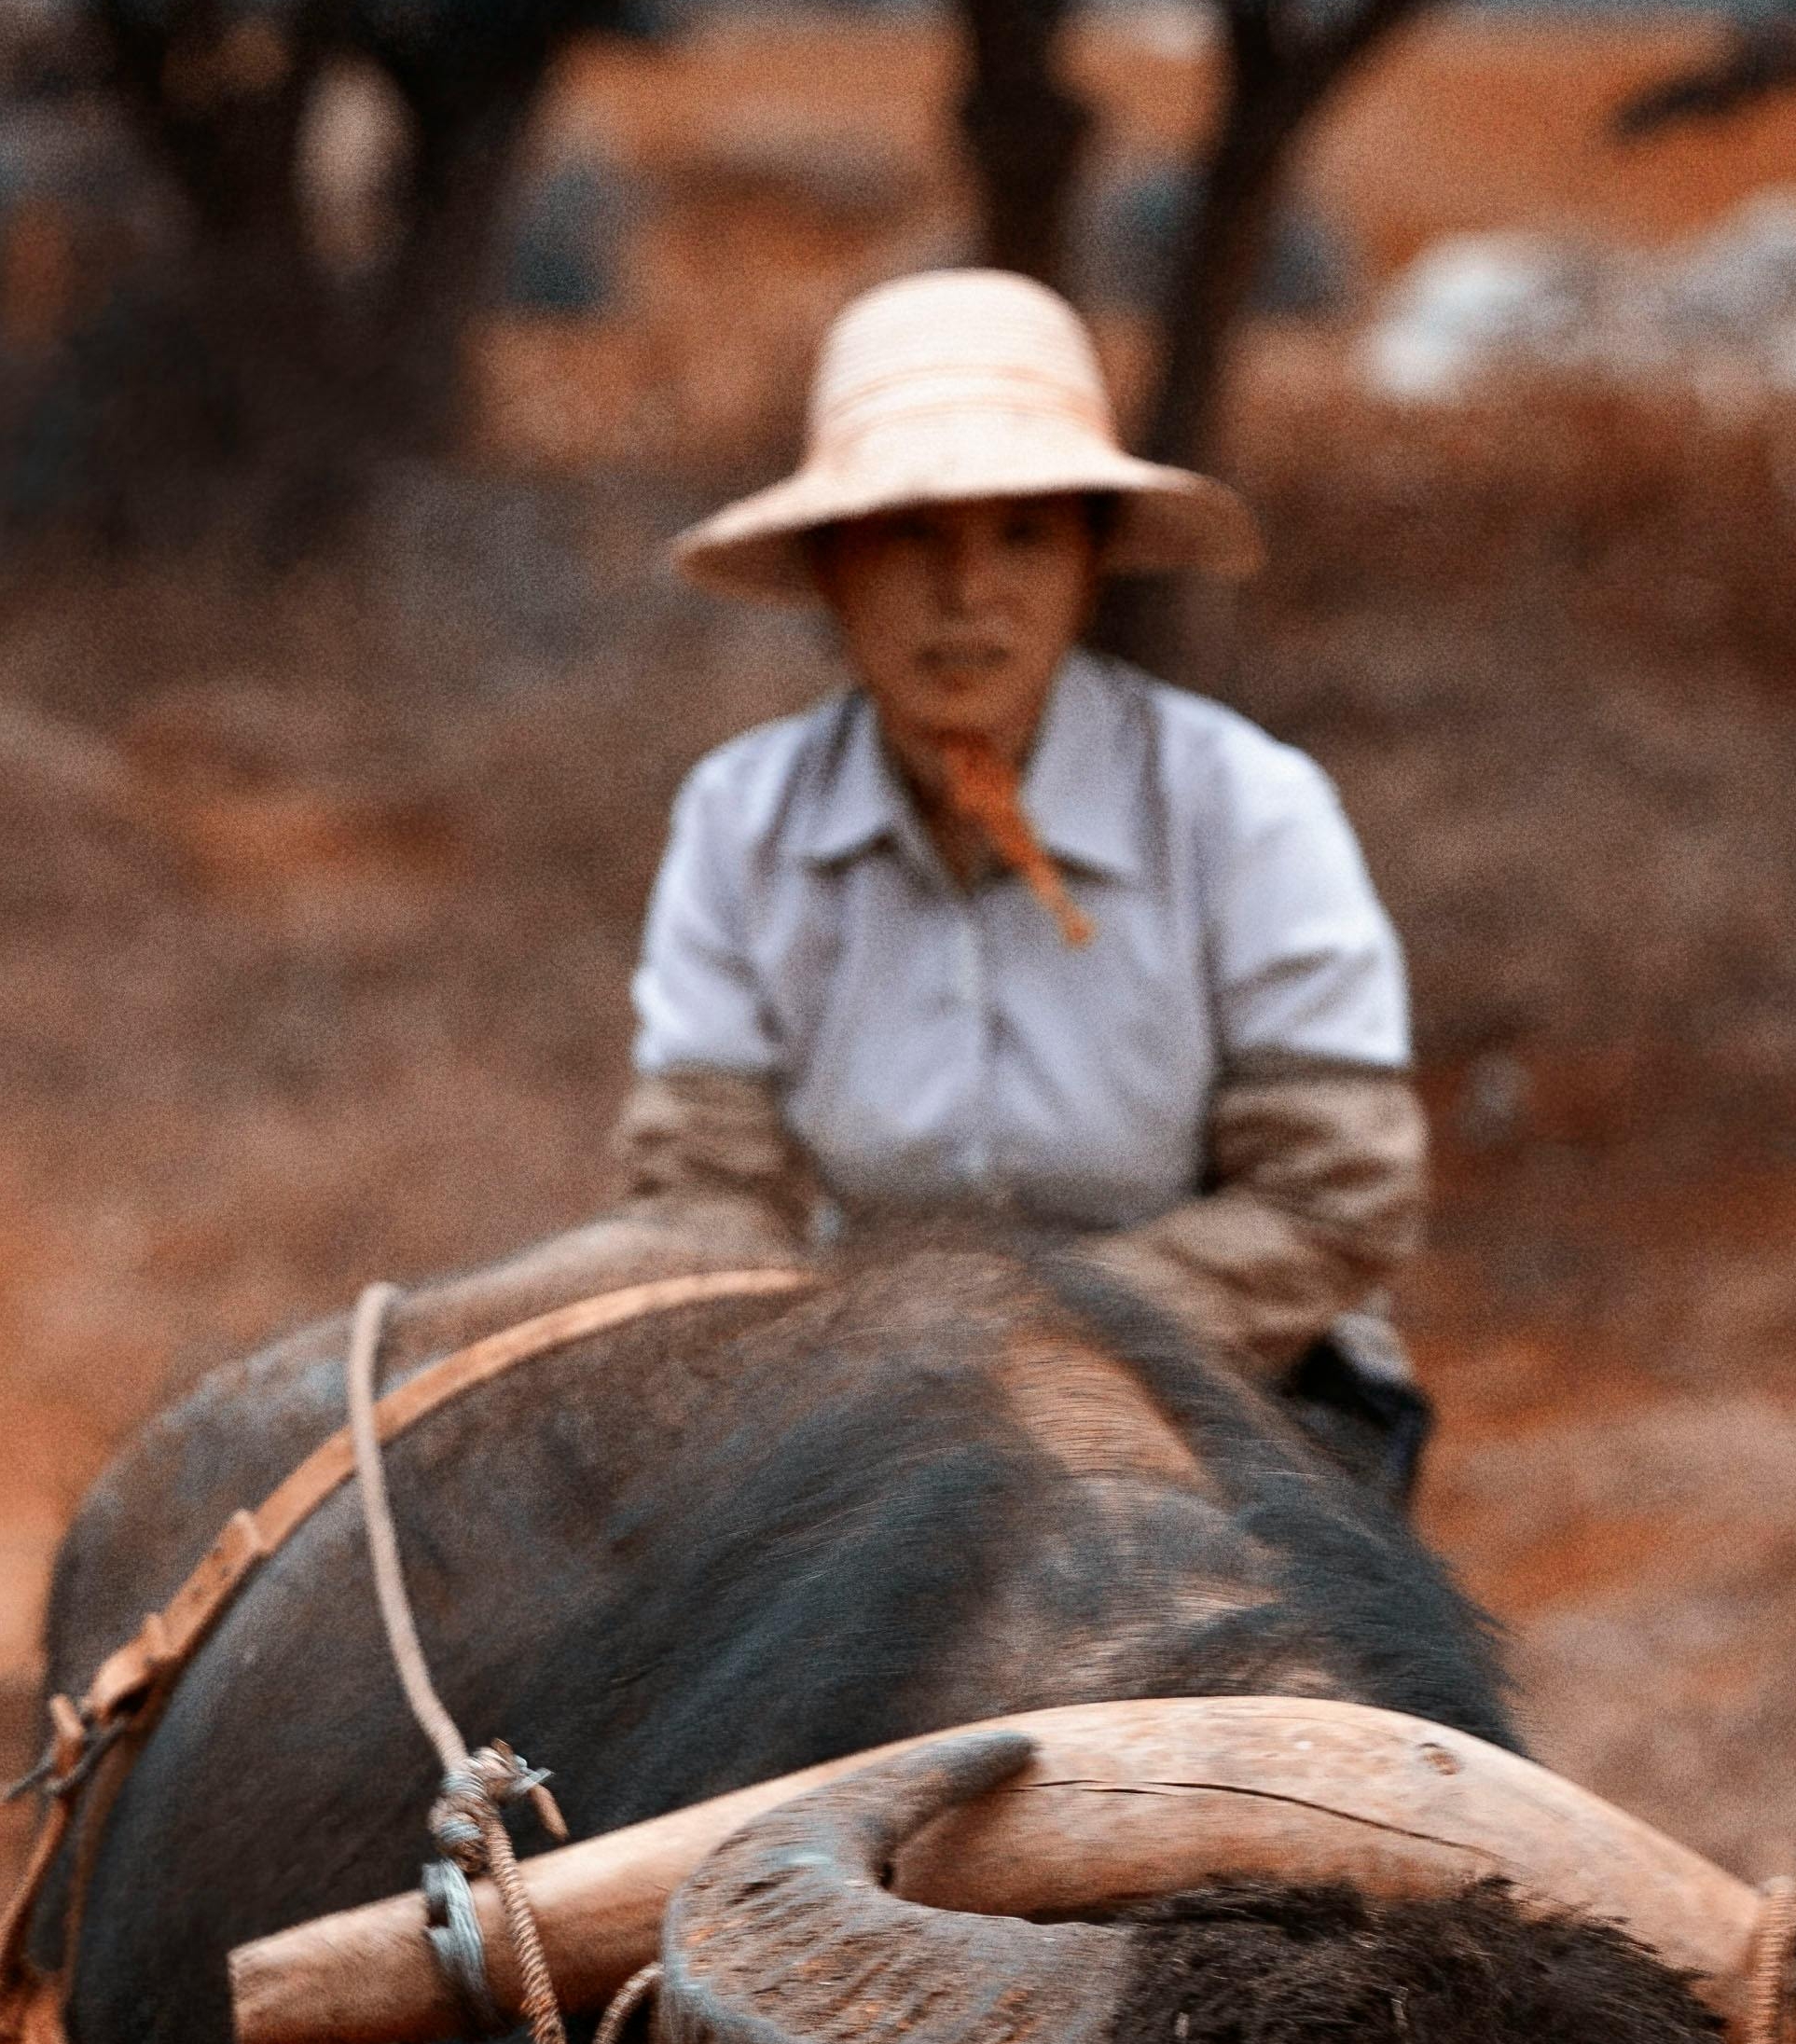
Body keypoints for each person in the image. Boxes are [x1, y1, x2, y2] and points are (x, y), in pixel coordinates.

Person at [614, 264, 1431, 1490]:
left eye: (1024, 536)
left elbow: (1335, 1196)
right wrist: (866, 1362)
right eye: (910, 536)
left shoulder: (1242, 804)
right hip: (871, 1394)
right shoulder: (744, 817)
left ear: (1090, 566)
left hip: (1229, 1378)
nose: (967, 595)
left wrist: (1029, 1345)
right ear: (832, 569)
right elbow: (703, 1189)